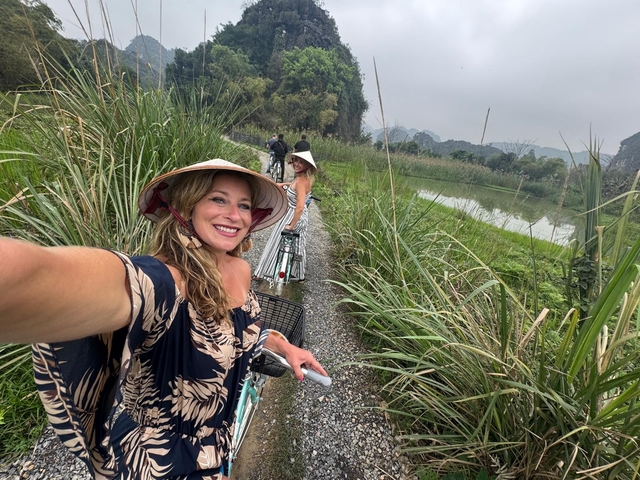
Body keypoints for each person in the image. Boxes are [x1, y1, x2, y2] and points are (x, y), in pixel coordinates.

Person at [0, 159, 327, 479]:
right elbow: (44, 276)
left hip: (216, 447)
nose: (234, 215)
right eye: (218, 199)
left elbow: (237, 330)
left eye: (244, 205)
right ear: (186, 208)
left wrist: (282, 346)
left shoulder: (239, 269)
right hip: (156, 463)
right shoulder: (164, 281)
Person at [254, 151, 316, 283]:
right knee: (299, 244)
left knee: (276, 241)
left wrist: (291, 225)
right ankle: (300, 275)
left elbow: (299, 206)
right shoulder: (302, 179)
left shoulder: (301, 181)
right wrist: (284, 185)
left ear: (307, 165)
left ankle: (264, 272)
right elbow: (297, 189)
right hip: (299, 216)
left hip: (294, 215)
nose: (297, 164)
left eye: (301, 162)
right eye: (296, 160)